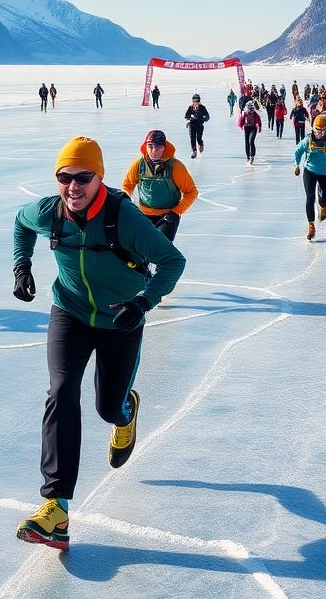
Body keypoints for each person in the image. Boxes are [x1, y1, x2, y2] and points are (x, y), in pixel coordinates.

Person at [12, 136, 186, 550]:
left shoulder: (123, 218)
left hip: (120, 320)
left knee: (107, 406)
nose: (73, 186)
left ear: (100, 177)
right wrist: (21, 266)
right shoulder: (49, 212)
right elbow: (20, 223)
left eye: (82, 177)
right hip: (69, 313)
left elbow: (172, 261)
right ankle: (55, 508)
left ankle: (126, 414)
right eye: (64, 177)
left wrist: (143, 302)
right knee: (61, 391)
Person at [122, 129, 198, 241]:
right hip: (143, 214)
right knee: (138, 248)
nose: (154, 150)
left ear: (165, 147)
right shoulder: (139, 164)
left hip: (168, 215)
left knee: (161, 246)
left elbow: (191, 192)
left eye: (158, 147)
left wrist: (176, 211)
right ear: (145, 146)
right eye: (150, 146)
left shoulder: (175, 166)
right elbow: (127, 185)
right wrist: (129, 205)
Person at [293, 114, 326, 240]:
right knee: (310, 197)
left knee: (323, 200)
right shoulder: (308, 140)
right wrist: (296, 165)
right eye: (317, 129)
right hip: (310, 171)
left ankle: (323, 205)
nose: (319, 133)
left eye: (322, 130)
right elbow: (298, 152)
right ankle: (311, 225)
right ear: (312, 128)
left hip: (325, 173)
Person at [184, 93, 210, 159]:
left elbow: (207, 116)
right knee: (192, 138)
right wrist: (189, 117)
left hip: (199, 125)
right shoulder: (190, 107)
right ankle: (194, 151)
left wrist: (204, 118)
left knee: (198, 138)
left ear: (199, 101)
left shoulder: (202, 107)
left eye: (197, 101)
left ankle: (201, 143)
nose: (195, 102)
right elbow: (186, 116)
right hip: (192, 125)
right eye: (194, 101)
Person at [238, 99, 262, 164]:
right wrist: (241, 126)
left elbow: (258, 120)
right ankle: (248, 157)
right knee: (247, 142)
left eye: (252, 108)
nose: (251, 110)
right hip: (246, 128)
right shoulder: (244, 113)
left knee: (251, 141)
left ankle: (252, 156)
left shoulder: (255, 114)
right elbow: (240, 121)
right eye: (249, 108)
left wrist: (259, 127)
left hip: (253, 128)